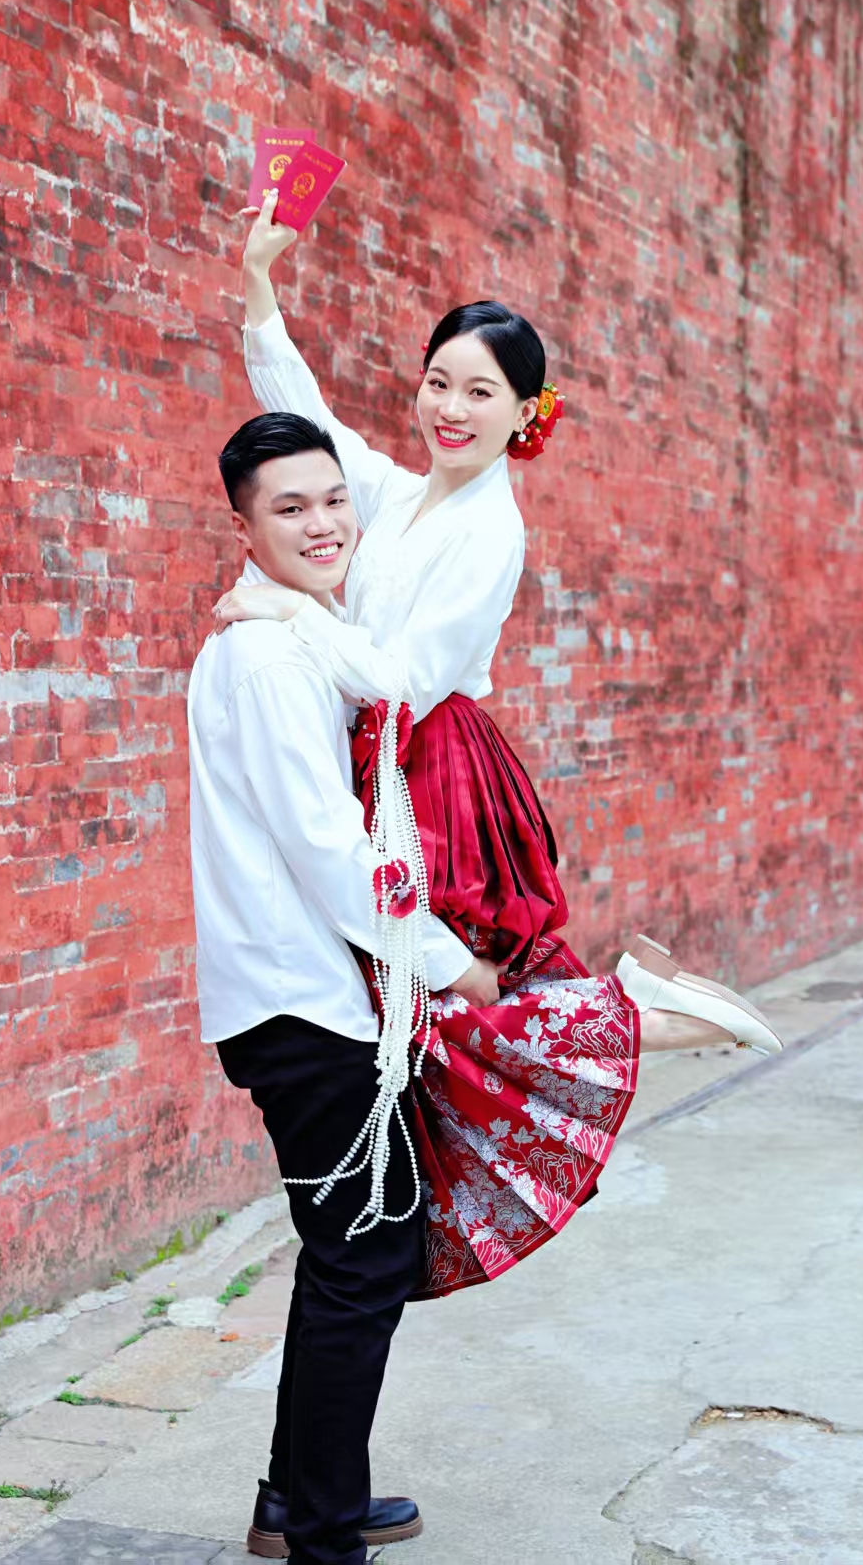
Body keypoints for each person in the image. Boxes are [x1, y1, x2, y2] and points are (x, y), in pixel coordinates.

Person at [213, 191, 784, 1299]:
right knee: (430, 1003)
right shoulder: (406, 496)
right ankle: (638, 1008)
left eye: (480, 393)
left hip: (433, 763)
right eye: (438, 381)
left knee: (448, 994)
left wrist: (288, 611)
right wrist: (258, 286)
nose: (451, 407)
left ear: (526, 412)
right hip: (394, 758)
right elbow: (308, 418)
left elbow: (401, 679)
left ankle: (645, 1021)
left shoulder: (490, 531)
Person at [187, 411, 501, 1564]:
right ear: (244, 529)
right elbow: (332, 855)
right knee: (365, 1258)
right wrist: (450, 963)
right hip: (302, 1004)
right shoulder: (268, 657)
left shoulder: (295, 634)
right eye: (289, 508)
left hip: (305, 998)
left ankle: (299, 1498)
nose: (322, 524)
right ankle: (320, 1536)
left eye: (332, 500)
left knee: (350, 1254)